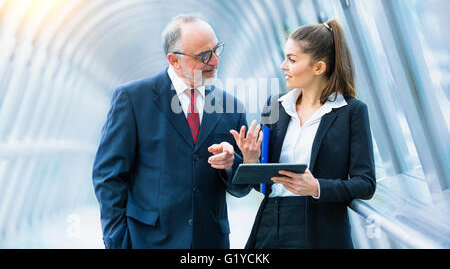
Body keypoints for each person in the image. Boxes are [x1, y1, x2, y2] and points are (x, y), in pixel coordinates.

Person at [92, 14, 251, 249]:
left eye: (217, 49)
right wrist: (118, 240)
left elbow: (241, 189)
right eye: (204, 56)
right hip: (147, 241)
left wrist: (231, 164)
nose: (215, 61)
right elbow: (108, 176)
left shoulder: (232, 107)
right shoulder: (133, 99)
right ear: (174, 60)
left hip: (209, 243)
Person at [228, 19, 376, 249]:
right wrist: (251, 160)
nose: (282, 66)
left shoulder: (351, 112)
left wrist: (316, 187)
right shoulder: (275, 106)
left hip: (318, 229)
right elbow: (266, 186)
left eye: (292, 59)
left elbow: (365, 183)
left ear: (318, 68)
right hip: (269, 224)